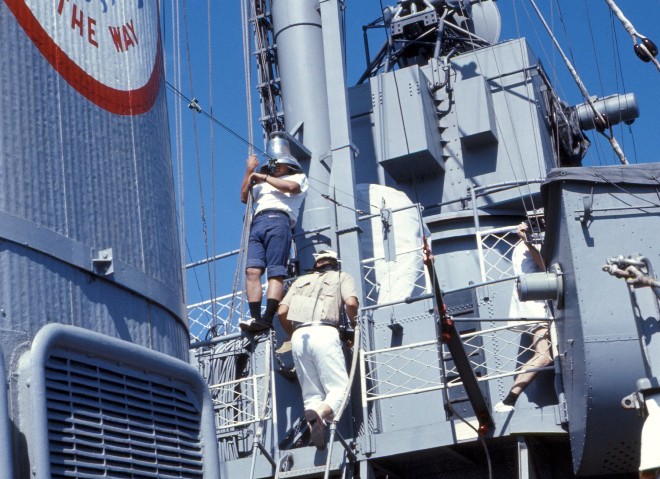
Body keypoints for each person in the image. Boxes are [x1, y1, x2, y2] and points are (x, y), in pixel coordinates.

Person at [277, 250, 359, 450]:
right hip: (325, 331)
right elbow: (350, 303)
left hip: (299, 336)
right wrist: (355, 325)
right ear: (335, 263)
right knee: (340, 390)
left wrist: (291, 333)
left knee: (311, 394)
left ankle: (315, 422)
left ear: (317, 264)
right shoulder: (341, 276)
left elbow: (282, 311)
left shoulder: (300, 281)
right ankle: (321, 415)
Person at [238, 137, 308, 333]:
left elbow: (291, 189)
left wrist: (264, 177)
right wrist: (250, 171)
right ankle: (255, 318)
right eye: (273, 164)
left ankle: (268, 317)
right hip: (257, 222)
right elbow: (244, 197)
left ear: (289, 166)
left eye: (280, 164)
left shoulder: (297, 178)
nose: (276, 167)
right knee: (252, 271)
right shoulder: (261, 182)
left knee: (275, 271)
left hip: (279, 220)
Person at [495, 221, 553, 412]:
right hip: (538, 306)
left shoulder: (523, 244)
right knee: (544, 356)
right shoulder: (529, 244)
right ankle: (509, 400)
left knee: (546, 355)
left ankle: (509, 401)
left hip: (534, 305)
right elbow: (545, 265)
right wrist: (528, 241)